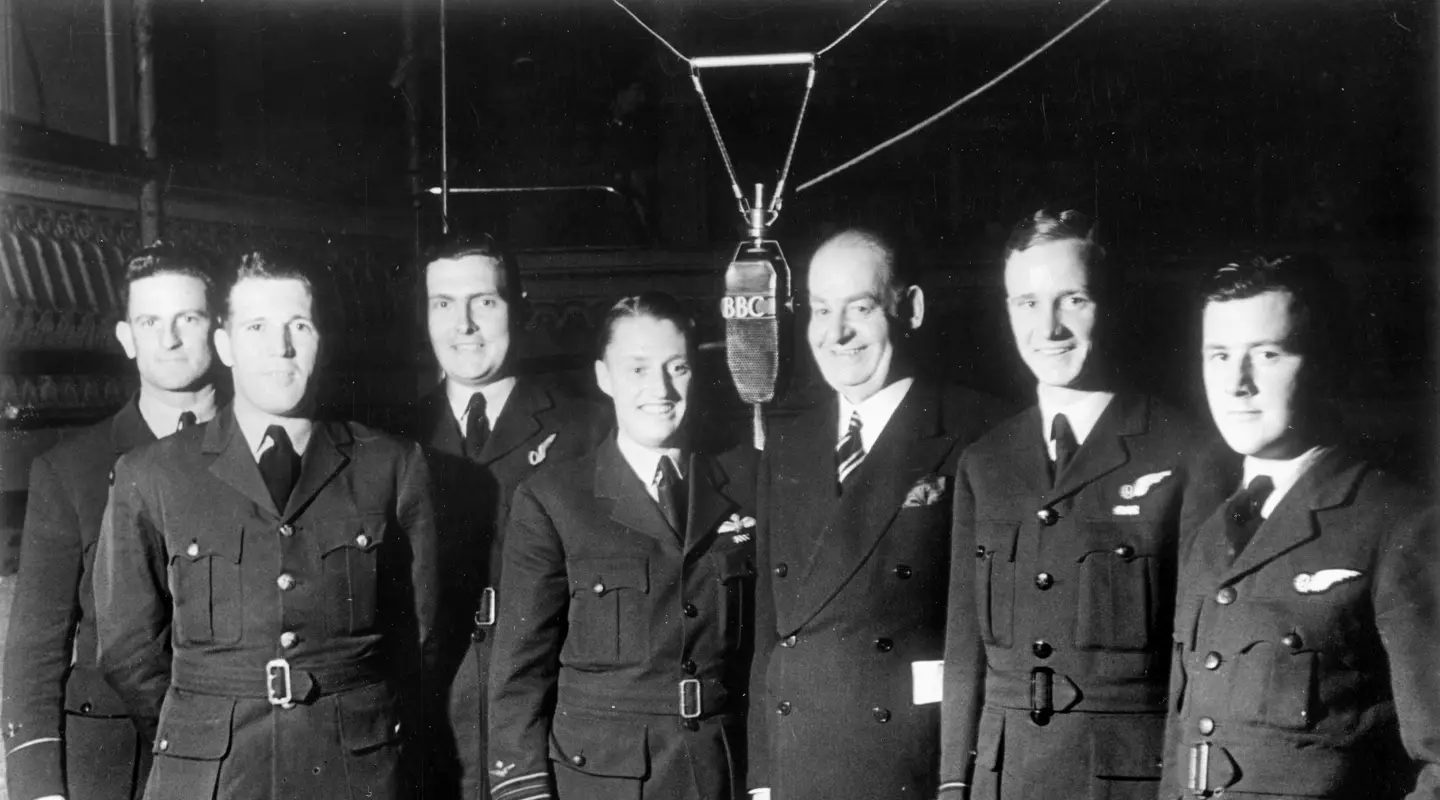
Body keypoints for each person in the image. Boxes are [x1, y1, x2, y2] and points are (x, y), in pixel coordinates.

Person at [93, 248, 439, 800]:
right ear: (226, 345)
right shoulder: (151, 474)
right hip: (208, 775)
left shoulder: (391, 465)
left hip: (356, 773)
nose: (280, 348)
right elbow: (128, 647)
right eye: (257, 327)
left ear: (321, 339)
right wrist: (200, 726)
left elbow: (419, 633)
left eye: (297, 325)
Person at [938, 208, 1229, 800]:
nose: (1048, 328)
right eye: (1025, 303)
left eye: (1072, 300)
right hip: (1003, 777)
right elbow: (963, 647)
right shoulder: (984, 462)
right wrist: (952, 781)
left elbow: (1199, 660)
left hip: (1127, 781)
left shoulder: (1187, 450)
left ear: (1111, 303)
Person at [1158, 255, 1439, 800]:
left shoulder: (1400, 525)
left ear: (1324, 363)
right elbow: (1182, 746)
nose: (1237, 384)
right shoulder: (1210, 534)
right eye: (1219, 356)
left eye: (1267, 354)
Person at [747, 229, 1002, 800]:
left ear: (908, 308)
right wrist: (762, 781)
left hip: (911, 762)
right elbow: (770, 628)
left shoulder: (980, 430)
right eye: (820, 310)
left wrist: (957, 780)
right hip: (797, 765)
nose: (835, 334)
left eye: (859, 309)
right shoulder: (786, 441)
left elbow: (979, 638)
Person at [486, 292, 758, 800]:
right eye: (636, 369)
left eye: (676, 367)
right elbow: (519, 673)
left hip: (720, 774)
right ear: (603, 377)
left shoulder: (747, 481)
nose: (660, 389)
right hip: (602, 783)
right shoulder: (554, 500)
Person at [2, 242, 222, 800]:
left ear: (220, 330)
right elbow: (35, 651)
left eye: (188, 318)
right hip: (113, 764)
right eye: (149, 321)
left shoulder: (272, 452)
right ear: (126, 337)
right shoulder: (71, 469)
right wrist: (40, 789)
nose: (168, 339)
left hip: (238, 752)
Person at [410, 233, 609, 800]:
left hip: (548, 714)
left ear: (517, 306)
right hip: (435, 713)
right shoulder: (394, 437)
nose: (464, 324)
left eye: (485, 302)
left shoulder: (586, 430)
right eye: (443, 304)